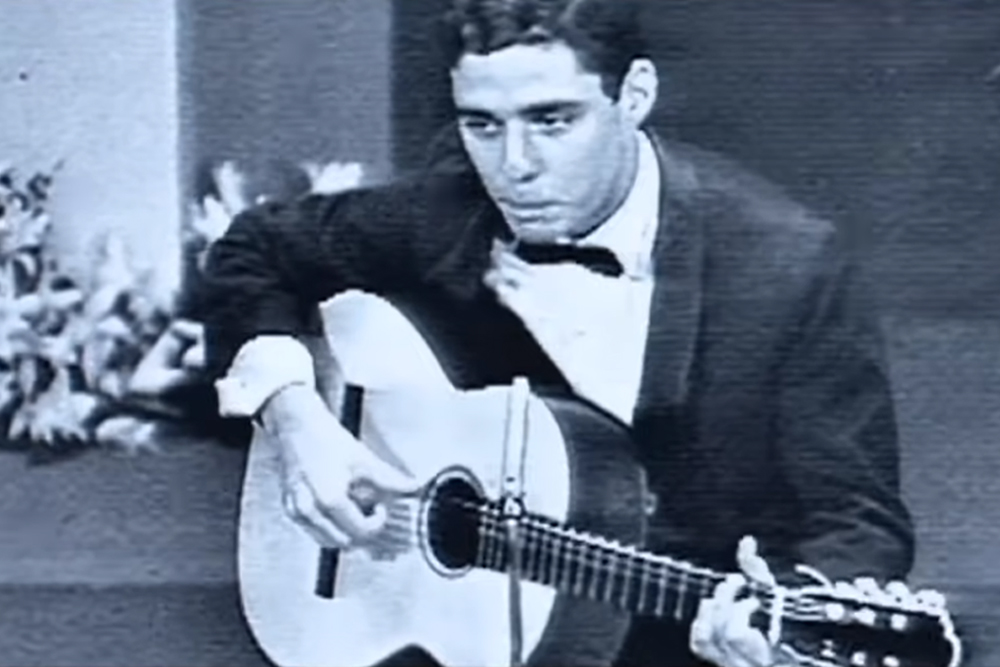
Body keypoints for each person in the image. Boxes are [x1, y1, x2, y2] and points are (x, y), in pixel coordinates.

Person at [197, 1, 919, 665]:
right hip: (448, 623)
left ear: (634, 94)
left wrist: (783, 622)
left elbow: (858, 521)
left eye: (553, 121)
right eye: (482, 125)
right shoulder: (451, 209)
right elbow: (251, 250)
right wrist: (298, 423)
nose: (514, 166)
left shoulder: (785, 266)